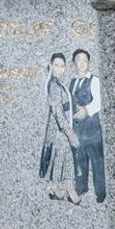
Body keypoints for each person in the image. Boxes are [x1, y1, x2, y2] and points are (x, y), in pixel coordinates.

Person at [40, 52, 79, 203]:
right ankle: (57, 187)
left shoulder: (59, 84)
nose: (59, 69)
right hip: (58, 129)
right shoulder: (54, 86)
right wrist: (69, 133)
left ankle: (63, 187)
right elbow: (57, 111)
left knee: (65, 157)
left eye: (62, 66)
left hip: (62, 128)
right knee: (61, 157)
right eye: (56, 65)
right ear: (50, 66)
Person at [69, 47, 105, 205]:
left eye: (85, 60)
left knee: (97, 162)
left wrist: (86, 110)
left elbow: (99, 101)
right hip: (77, 130)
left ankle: (101, 192)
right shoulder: (72, 82)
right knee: (79, 161)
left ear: (89, 63)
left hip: (92, 130)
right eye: (79, 60)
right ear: (74, 63)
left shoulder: (94, 80)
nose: (82, 64)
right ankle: (81, 188)